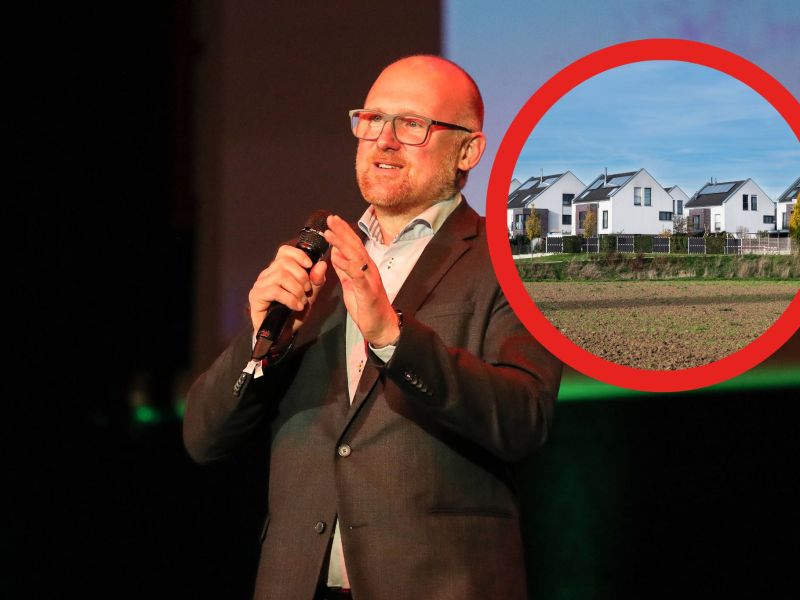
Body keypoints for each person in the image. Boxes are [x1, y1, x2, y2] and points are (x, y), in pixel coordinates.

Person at [184, 55, 562, 600]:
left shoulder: (516, 263)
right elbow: (203, 439)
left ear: (469, 151)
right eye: (372, 119)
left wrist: (393, 337)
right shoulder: (318, 260)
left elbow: (524, 420)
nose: (384, 140)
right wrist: (262, 343)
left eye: (412, 124)